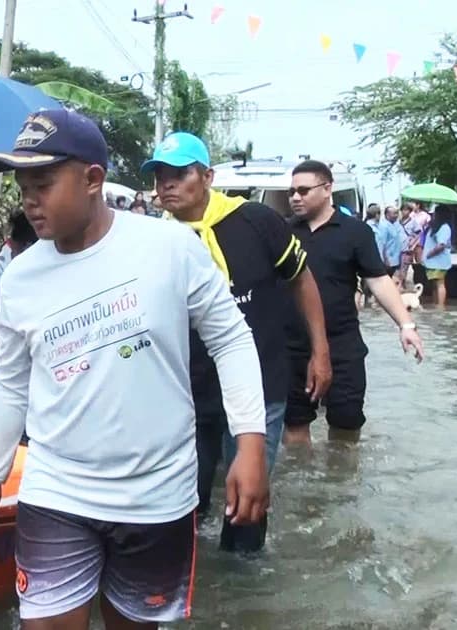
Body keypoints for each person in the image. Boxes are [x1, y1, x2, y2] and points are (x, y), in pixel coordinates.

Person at [0, 109, 270, 629]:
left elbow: (231, 338)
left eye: (43, 184)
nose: (29, 202)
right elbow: (13, 383)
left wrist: (251, 444)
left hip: (157, 494)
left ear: (93, 180)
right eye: (22, 188)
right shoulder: (21, 277)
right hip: (56, 485)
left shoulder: (170, 248)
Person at [143, 132, 331, 553]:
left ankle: (246, 592)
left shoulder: (256, 221)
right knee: (183, 503)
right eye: (160, 176)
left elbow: (301, 279)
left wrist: (320, 352)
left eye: (179, 174)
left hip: (261, 385)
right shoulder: (152, 241)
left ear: (207, 176)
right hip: (188, 392)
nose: (167, 185)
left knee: (248, 506)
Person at [284, 160, 426, 444]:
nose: (295, 197)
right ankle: (306, 483)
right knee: (295, 423)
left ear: (327, 189)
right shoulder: (283, 231)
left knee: (347, 424)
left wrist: (406, 324)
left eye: (303, 190)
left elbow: (378, 280)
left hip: (342, 344)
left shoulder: (355, 232)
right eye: (291, 192)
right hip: (293, 345)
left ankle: (341, 484)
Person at [422, 208, 454, 306]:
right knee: (434, 284)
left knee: (440, 283)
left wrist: (430, 254)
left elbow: (441, 245)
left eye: (434, 214)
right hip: (432, 261)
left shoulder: (444, 227)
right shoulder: (434, 226)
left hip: (439, 261)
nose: (433, 216)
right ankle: (435, 303)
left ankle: (440, 306)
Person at [382, 206, 404, 277]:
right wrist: (386, 260)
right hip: (388, 261)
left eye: (397, 213)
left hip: (395, 260)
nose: (396, 216)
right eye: (394, 213)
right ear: (387, 215)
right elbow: (383, 244)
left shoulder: (395, 225)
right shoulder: (384, 226)